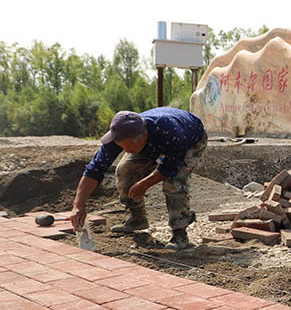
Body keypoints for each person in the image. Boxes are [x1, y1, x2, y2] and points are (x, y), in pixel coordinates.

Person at [69, 107, 208, 251]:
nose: (124, 149)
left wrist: (143, 185)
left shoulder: (171, 132)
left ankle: (180, 235)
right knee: (124, 170)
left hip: (191, 140)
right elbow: (95, 169)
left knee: (174, 183)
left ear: (144, 135)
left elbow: (169, 168)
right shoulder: (118, 136)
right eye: (120, 145)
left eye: (128, 145)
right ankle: (137, 219)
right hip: (155, 143)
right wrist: (78, 205)